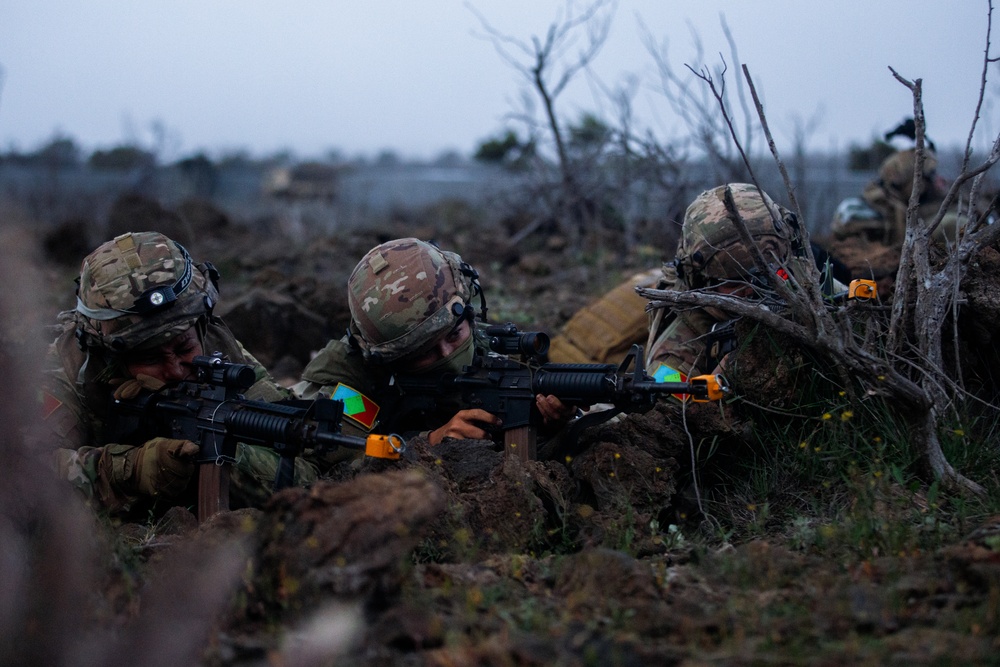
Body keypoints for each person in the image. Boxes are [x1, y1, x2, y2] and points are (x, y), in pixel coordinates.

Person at [41, 231, 318, 516]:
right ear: (109, 354)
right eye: (150, 357)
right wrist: (129, 470)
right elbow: (24, 478)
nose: (175, 369)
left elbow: (307, 464)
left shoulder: (217, 351)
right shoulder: (65, 372)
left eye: (184, 347)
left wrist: (230, 450)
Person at [292, 237, 574, 445]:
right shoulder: (347, 391)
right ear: (390, 358)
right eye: (424, 353)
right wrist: (427, 443)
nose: (448, 354)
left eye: (454, 335)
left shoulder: (492, 349)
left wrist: (550, 421)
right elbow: (339, 459)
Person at [645, 183, 822, 383]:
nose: (752, 290)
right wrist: (717, 389)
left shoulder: (801, 279)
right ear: (702, 283)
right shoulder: (679, 347)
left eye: (766, 275)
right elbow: (663, 404)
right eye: (734, 282)